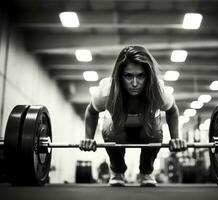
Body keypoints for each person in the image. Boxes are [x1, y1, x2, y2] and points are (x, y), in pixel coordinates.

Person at [80, 45, 186, 187]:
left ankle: (146, 172)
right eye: (129, 76)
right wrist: (88, 139)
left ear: (148, 76)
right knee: (110, 131)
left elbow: (172, 110)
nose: (135, 83)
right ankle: (117, 171)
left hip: (147, 129)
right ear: (120, 75)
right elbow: (91, 111)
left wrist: (175, 138)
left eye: (140, 76)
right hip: (117, 129)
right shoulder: (107, 91)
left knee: (154, 132)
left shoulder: (158, 91)